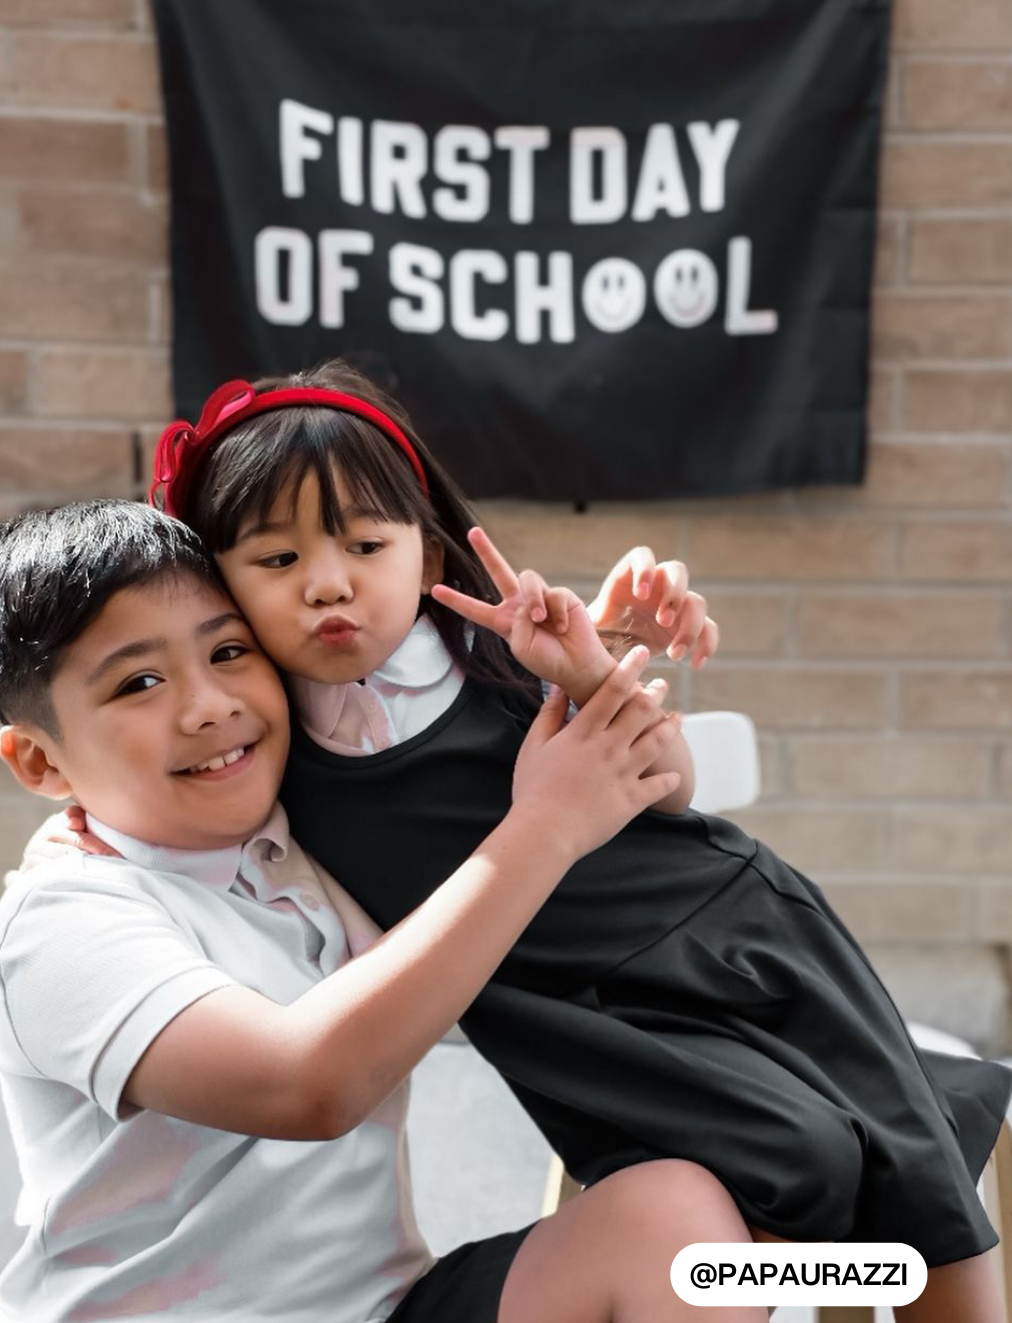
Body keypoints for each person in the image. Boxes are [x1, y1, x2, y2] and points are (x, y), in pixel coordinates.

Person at [149, 361, 1012, 1319]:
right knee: (796, 1170)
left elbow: (673, 792)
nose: (327, 584)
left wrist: (600, 672)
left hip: (716, 933)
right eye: (275, 562)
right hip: (567, 1017)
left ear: (430, 558)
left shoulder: (506, 650)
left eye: (364, 543)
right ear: (214, 583)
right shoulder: (260, 741)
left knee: (908, 1173)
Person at [0, 499, 766, 1323]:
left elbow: (572, 800)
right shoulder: (62, 923)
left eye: (230, 651)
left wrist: (600, 665)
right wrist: (545, 828)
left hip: (382, 1308)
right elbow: (308, 1085)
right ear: (42, 759)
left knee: (680, 1223)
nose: (209, 706)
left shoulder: (304, 827)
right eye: (140, 682)